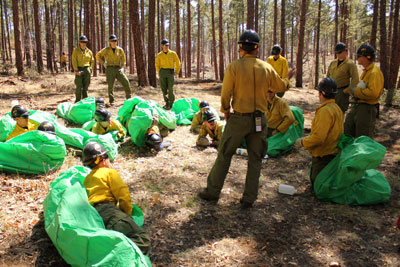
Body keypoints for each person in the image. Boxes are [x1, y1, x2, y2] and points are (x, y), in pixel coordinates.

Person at [198, 30, 293, 208]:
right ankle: (249, 198)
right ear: (257, 48)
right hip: (260, 119)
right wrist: (288, 81)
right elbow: (280, 86)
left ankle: (212, 192)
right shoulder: (266, 67)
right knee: (255, 159)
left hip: (239, 118)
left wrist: (226, 111)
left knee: (225, 154)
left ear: (241, 47)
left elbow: (225, 94)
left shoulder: (234, 67)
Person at [81, 142, 151, 256]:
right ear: (102, 159)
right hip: (108, 212)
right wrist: (126, 215)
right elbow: (123, 196)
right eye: (107, 156)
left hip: (92, 216)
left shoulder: (87, 179)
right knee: (142, 239)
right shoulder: (109, 172)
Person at [296, 78, 344, 185]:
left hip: (324, 156)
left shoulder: (325, 111)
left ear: (320, 93)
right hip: (333, 153)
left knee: (317, 185)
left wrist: (303, 142)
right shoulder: (337, 108)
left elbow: (318, 138)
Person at [343, 44, 384, 138]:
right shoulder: (367, 71)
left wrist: (356, 91)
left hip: (367, 109)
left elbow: (373, 93)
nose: (357, 58)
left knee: (363, 138)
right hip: (358, 106)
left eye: (359, 56)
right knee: (348, 132)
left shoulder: (374, 73)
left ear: (366, 57)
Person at [96, 35, 131, 106]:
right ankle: (111, 101)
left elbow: (123, 59)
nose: (114, 42)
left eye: (115, 41)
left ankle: (129, 99)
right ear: (109, 42)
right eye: (112, 41)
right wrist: (103, 63)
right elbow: (98, 56)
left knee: (126, 82)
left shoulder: (120, 50)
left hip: (118, 69)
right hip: (110, 69)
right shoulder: (106, 49)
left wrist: (123, 67)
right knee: (110, 85)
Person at [327, 42, 359, 113]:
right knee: (329, 112)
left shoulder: (350, 64)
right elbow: (328, 76)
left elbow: (355, 79)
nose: (338, 54)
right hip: (331, 92)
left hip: (342, 92)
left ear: (345, 51)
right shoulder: (333, 63)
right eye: (337, 52)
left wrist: (347, 90)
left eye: (340, 52)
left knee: (340, 112)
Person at [155, 39, 181, 109]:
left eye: (168, 45)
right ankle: (167, 103)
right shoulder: (159, 55)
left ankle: (171, 103)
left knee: (170, 88)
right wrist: (158, 72)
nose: (167, 47)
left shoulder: (173, 54)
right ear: (162, 46)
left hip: (170, 72)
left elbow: (178, 63)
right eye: (165, 45)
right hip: (162, 72)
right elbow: (157, 64)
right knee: (164, 89)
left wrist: (176, 72)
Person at [72, 35, 94, 103]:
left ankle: (85, 100)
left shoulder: (89, 52)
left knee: (86, 86)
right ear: (79, 42)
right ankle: (78, 101)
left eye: (85, 42)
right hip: (79, 69)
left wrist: (90, 69)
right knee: (79, 86)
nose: (83, 43)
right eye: (82, 42)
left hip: (86, 69)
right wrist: (76, 70)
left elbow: (92, 61)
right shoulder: (76, 51)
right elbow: (74, 60)